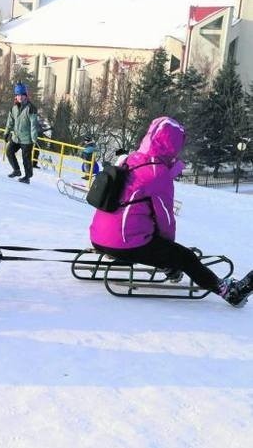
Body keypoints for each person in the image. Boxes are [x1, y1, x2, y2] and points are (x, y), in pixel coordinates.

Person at [89, 117, 253, 307]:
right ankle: (228, 292)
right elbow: (165, 221)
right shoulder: (157, 173)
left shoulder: (129, 160)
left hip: (98, 237)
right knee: (185, 257)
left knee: (150, 235)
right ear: (173, 146)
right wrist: (171, 256)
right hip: (125, 243)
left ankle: (165, 263)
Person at [4, 82, 40, 184]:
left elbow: (34, 125)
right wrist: (6, 133)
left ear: (25, 96)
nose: (20, 97)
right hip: (16, 137)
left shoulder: (31, 108)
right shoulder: (14, 108)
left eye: (22, 95)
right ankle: (16, 170)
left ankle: (27, 177)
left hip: (27, 139)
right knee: (9, 151)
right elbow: (10, 121)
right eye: (18, 95)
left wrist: (34, 138)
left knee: (26, 159)